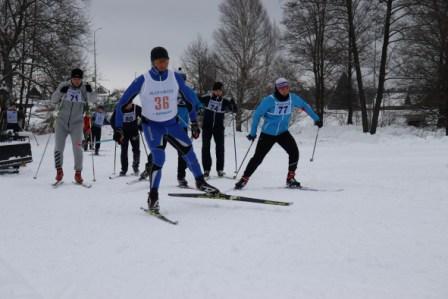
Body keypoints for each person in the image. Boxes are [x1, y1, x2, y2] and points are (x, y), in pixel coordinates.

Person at [113, 46, 219, 214]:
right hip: (152, 126)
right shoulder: (143, 79)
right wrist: (118, 128)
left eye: (166, 61)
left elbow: (190, 100)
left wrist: (194, 123)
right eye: (160, 61)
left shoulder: (175, 77)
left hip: (172, 124)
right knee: (159, 158)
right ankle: (153, 196)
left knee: (188, 151)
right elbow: (121, 104)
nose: (163, 64)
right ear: (153, 62)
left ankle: (200, 182)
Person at [235, 78, 322, 190]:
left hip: (283, 133)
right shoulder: (269, 100)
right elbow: (257, 115)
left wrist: (316, 119)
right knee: (258, 158)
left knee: (294, 152)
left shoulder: (292, 98)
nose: (284, 90)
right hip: (268, 134)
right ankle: (244, 179)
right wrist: (252, 133)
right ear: (277, 88)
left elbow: (305, 106)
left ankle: (290, 178)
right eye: (281, 88)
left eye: (286, 87)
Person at [51, 68, 95, 183]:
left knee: (77, 148)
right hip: (61, 122)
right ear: (71, 78)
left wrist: (91, 92)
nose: (76, 81)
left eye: (79, 79)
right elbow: (53, 100)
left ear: (81, 79)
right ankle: (59, 171)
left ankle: (78, 173)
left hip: (77, 123)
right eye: (74, 78)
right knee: (59, 148)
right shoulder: (64, 85)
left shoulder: (84, 88)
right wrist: (61, 91)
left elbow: (93, 100)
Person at [199, 82, 237, 178]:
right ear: (213, 91)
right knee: (205, 148)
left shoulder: (224, 101)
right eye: (216, 90)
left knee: (220, 148)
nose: (218, 92)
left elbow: (234, 110)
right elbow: (197, 100)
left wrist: (233, 103)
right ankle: (206, 170)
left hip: (219, 128)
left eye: (220, 90)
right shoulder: (207, 98)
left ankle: (220, 169)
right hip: (207, 127)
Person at [110, 103, 142, 176]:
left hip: (134, 132)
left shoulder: (136, 108)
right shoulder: (119, 108)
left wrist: (141, 125)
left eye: (130, 104)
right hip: (123, 133)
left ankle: (135, 167)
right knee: (124, 150)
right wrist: (117, 131)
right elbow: (112, 121)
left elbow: (144, 116)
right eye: (127, 104)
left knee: (136, 150)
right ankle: (124, 169)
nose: (128, 106)